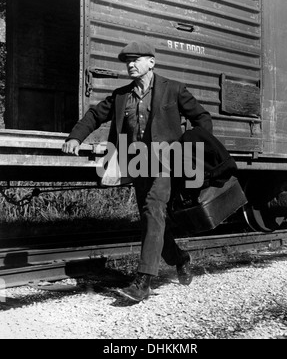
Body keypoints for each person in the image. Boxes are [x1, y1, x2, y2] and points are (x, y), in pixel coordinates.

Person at [62, 40, 213, 302]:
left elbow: (203, 119)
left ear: (151, 62)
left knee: (154, 210)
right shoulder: (122, 96)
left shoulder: (173, 89)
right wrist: (75, 137)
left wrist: (190, 147)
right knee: (151, 217)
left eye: (136, 60)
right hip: (136, 163)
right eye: (127, 61)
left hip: (165, 163)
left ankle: (143, 282)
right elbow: (95, 115)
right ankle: (180, 257)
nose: (130, 65)